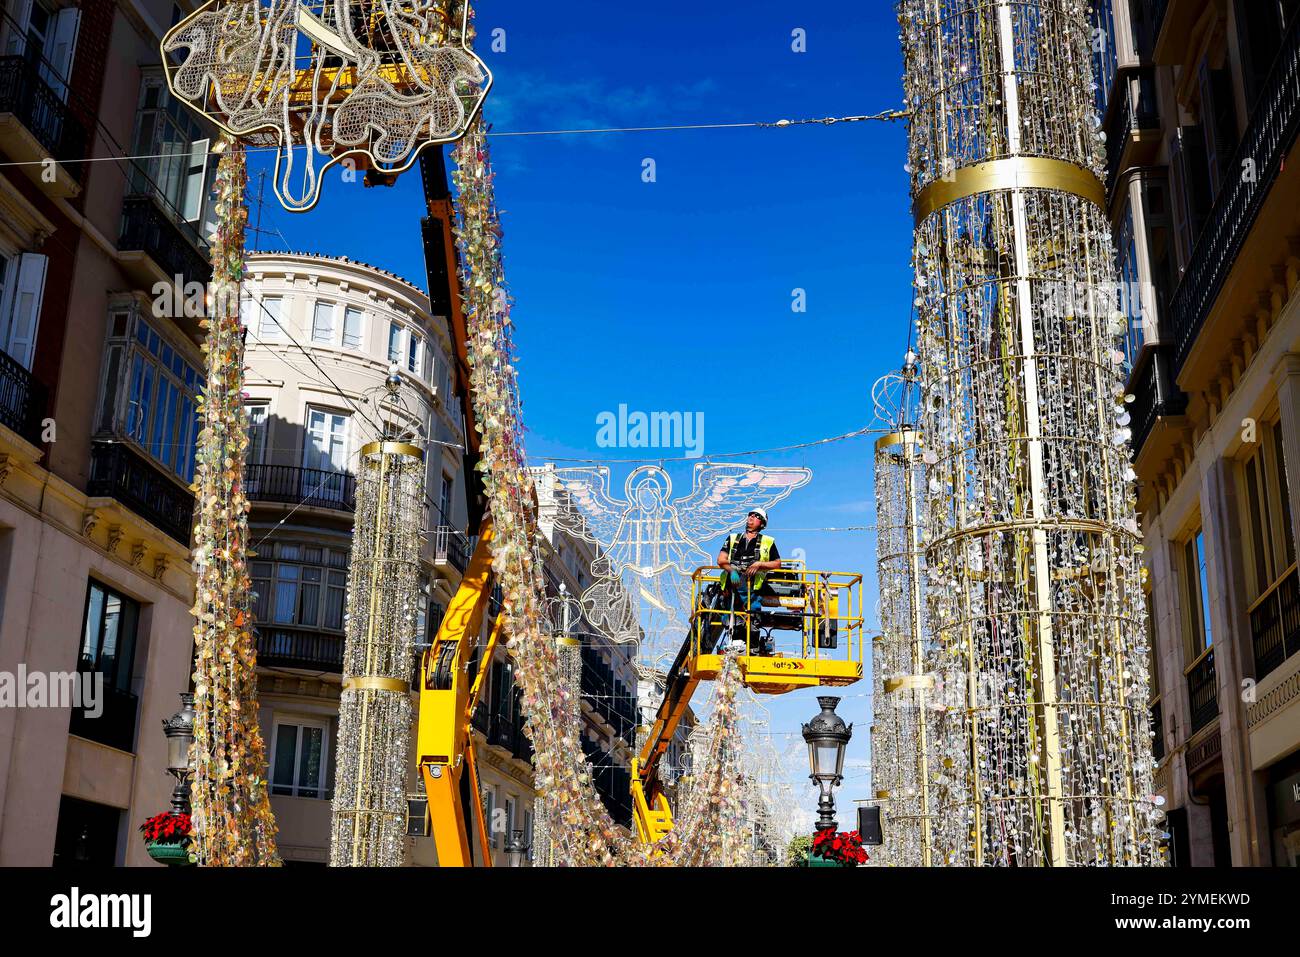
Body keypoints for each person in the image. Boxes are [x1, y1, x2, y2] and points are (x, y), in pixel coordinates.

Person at [715, 508, 782, 654]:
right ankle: (734, 642)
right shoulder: (733, 538)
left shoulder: (767, 542)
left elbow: (777, 564)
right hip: (732, 583)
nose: (751, 517)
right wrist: (732, 571)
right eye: (750, 515)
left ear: (762, 523)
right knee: (732, 615)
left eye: (756, 516)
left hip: (753, 587)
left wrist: (759, 564)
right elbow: (721, 560)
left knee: (753, 616)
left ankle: (752, 646)